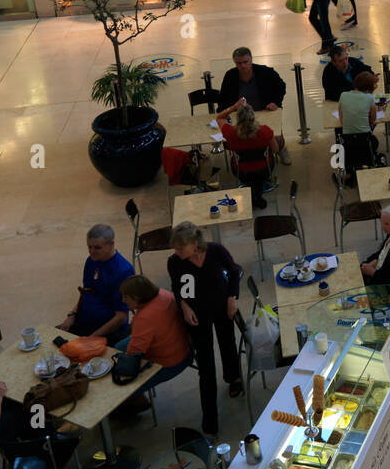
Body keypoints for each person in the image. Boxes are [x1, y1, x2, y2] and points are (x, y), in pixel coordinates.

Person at [168, 222, 243, 436]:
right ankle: (210, 421)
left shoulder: (216, 251)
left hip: (221, 306)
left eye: (180, 248)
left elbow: (234, 270)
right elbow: (178, 287)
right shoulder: (176, 262)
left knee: (227, 343)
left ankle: (233, 378)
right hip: (197, 314)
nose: (177, 252)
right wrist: (184, 306)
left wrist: (232, 298)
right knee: (206, 367)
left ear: (194, 244)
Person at [112, 274, 193, 412]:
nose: (123, 300)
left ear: (137, 298)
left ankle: (136, 401)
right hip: (183, 349)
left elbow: (134, 352)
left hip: (168, 363)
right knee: (117, 348)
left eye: (126, 297)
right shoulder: (164, 294)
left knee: (120, 383)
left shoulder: (144, 318)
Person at [58, 224, 134, 342]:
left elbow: (121, 317)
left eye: (97, 247)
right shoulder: (91, 260)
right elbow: (85, 292)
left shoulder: (124, 271)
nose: (92, 251)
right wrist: (71, 315)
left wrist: (91, 338)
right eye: (89, 247)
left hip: (108, 332)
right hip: (83, 323)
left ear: (111, 244)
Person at [217, 47, 290, 165]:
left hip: (264, 111)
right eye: (239, 63)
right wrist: (229, 111)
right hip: (241, 115)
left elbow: (281, 86)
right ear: (235, 63)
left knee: (276, 135)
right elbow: (223, 98)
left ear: (251, 60)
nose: (243, 66)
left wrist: (275, 102)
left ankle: (281, 149)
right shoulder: (230, 76)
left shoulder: (265, 71)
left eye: (245, 62)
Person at [220, 104, 277, 209]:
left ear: (237, 118)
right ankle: (258, 194)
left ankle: (251, 195)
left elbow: (219, 117)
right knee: (263, 163)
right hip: (264, 170)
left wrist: (233, 107)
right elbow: (275, 149)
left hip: (241, 172)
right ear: (253, 117)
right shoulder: (264, 131)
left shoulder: (231, 133)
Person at [340, 70, 382, 162]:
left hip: (348, 141)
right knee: (374, 141)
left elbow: (341, 119)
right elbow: (373, 120)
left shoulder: (343, 95)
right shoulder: (370, 98)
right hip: (365, 140)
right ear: (370, 87)